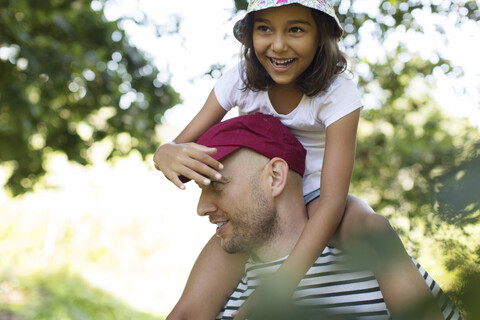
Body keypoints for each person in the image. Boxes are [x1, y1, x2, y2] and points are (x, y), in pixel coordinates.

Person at [155, 1, 444, 319]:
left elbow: (334, 202)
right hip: (265, 198)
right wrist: (163, 153)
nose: (278, 45)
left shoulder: (338, 92)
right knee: (216, 263)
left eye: (295, 29)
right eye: (264, 28)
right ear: (251, 33)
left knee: (373, 228)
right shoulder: (239, 79)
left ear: (321, 35)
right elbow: (181, 142)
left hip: (322, 196)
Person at [176, 113, 463, 320]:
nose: (202, 208)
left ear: (276, 177)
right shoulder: (222, 290)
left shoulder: (377, 261)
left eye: (216, 185)